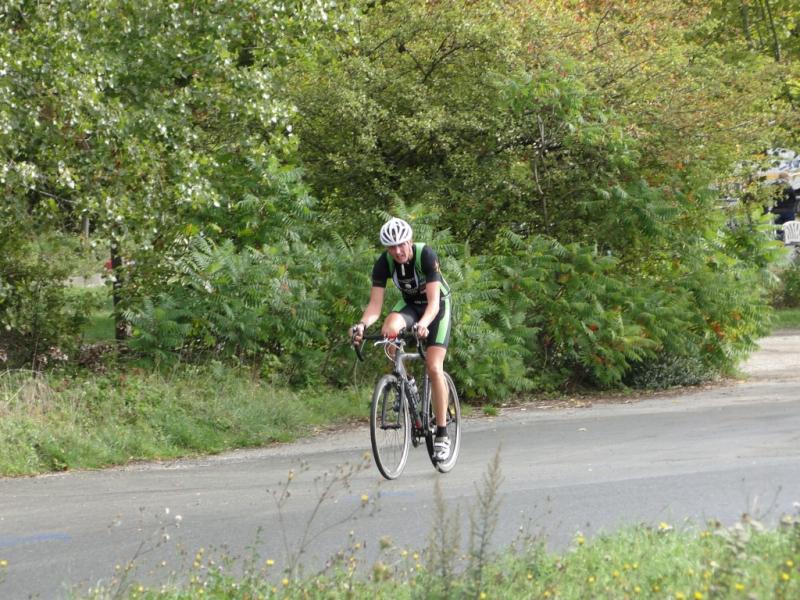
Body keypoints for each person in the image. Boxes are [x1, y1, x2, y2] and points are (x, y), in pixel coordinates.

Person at [350, 217, 453, 461]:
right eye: (391, 247)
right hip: (410, 306)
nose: (397, 251)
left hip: (436, 308)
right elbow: (375, 306)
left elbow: (433, 304)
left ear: (410, 241)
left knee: (434, 366)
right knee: (389, 331)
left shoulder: (425, 255)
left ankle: (442, 433)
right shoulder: (384, 264)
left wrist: (423, 325)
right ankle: (407, 382)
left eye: (401, 244)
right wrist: (361, 325)